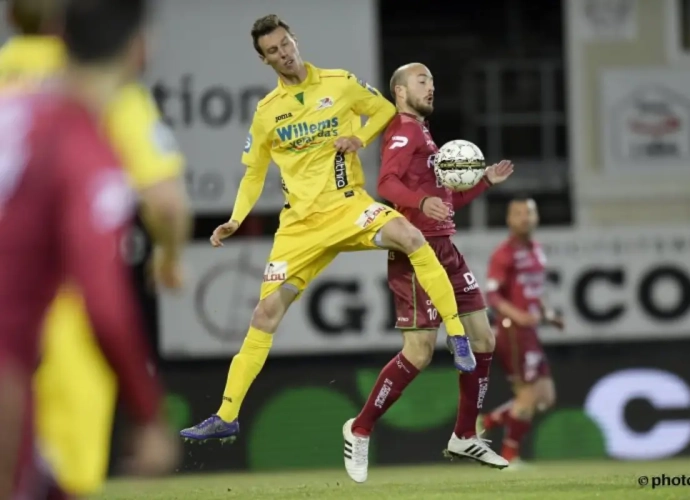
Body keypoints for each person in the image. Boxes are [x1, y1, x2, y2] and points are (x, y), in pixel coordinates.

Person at [180, 15, 477, 443]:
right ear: (265, 60)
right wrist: (236, 219)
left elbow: (383, 110)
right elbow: (254, 173)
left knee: (411, 237)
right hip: (299, 227)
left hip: (348, 207)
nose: (283, 54)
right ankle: (226, 416)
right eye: (273, 51)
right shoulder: (266, 113)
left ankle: (456, 334)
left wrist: (359, 138)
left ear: (294, 40)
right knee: (264, 314)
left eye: (285, 44)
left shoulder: (340, 83)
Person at [0, 0, 191, 495]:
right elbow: (166, 202)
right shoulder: (96, 103)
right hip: (53, 329)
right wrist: (169, 258)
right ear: (139, 48)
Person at [342, 63, 513, 483]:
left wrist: (484, 182)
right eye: (422, 81)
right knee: (419, 353)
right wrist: (419, 203)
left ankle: (464, 434)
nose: (431, 87)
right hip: (417, 253)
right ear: (400, 92)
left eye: (433, 81)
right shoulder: (405, 129)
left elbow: (446, 205)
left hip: (446, 249)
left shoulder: (425, 133)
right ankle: (359, 429)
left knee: (484, 338)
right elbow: (386, 184)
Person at [476, 197, 564, 465]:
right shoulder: (504, 253)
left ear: (536, 217)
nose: (525, 218)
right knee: (527, 397)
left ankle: (487, 421)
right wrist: (519, 316)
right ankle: (509, 457)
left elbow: (535, 291)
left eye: (529, 213)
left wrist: (549, 315)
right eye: (518, 213)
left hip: (530, 331)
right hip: (512, 331)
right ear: (509, 219)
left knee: (546, 398)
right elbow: (493, 296)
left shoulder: (537, 249)